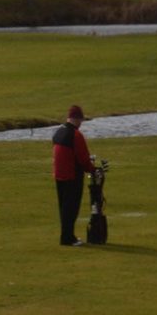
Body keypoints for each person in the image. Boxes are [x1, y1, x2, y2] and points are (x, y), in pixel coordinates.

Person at [52, 105, 97, 246]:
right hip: (72, 176)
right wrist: (92, 169)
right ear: (77, 119)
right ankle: (67, 238)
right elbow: (83, 158)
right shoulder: (76, 135)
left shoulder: (59, 131)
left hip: (59, 175)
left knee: (63, 208)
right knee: (71, 209)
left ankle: (67, 236)